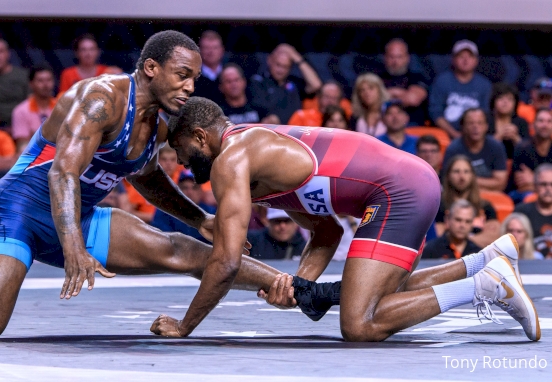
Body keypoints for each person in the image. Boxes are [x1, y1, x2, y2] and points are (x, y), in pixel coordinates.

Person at [0, 31, 289, 340]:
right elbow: (62, 172)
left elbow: (147, 177)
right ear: (151, 68)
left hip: (80, 215)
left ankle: (288, 286)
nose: (190, 87)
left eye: (194, 79)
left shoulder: (158, 124)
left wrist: (199, 218)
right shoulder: (101, 99)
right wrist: (72, 246)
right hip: (18, 210)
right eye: (182, 76)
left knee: (179, 250)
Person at [166, 96, 539, 342]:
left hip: (397, 191)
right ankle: (484, 262)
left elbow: (226, 260)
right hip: (407, 182)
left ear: (200, 136)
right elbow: (326, 230)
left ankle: (485, 286)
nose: (181, 164)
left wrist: (185, 327)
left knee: (360, 322)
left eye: (180, 151)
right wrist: (298, 284)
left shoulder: (231, 159)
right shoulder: (257, 155)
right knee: (381, 293)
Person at [429, 40, 492, 138]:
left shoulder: (484, 84)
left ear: (476, 60)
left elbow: (486, 114)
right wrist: (453, 133)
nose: (465, 60)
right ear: (453, 59)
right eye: (461, 56)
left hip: (475, 135)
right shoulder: (442, 81)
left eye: (470, 56)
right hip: (445, 134)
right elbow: (435, 112)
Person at [435, 155, 500, 248]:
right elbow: (438, 239)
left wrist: (461, 241)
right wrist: (474, 239)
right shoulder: (439, 206)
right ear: (448, 175)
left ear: (473, 176)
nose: (462, 177)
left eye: (466, 172)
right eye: (456, 171)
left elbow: (493, 239)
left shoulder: (486, 207)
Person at [249, 43, 322, 124]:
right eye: (278, 65)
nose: (281, 70)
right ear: (269, 60)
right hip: (269, 130)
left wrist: (296, 57)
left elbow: (316, 85)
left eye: (285, 67)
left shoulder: (294, 82)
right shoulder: (258, 81)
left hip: (294, 130)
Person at [442, 108, 508, 192]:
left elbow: (501, 183)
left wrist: (468, 180)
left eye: (480, 123)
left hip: (490, 196)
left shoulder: (496, 146)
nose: (475, 127)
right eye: (470, 123)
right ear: (463, 127)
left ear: (486, 126)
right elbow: (449, 182)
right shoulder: (453, 149)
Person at [151, 170, 216, 243]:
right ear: (177, 190)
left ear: (201, 191)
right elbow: (161, 238)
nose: (189, 192)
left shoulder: (212, 212)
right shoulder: (165, 211)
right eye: (185, 188)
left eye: (194, 188)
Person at [379, 38, 430, 126]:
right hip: (382, 127)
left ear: (407, 58)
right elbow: (371, 101)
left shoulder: (417, 78)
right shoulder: (377, 79)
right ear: (385, 58)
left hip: (413, 127)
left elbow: (413, 99)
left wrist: (387, 94)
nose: (395, 61)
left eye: (399, 57)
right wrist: (403, 94)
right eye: (391, 57)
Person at [12, 64, 57, 151]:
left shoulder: (63, 108)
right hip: (33, 158)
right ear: (31, 84)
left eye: (49, 80)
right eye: (40, 81)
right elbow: (22, 145)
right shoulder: (20, 111)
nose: (45, 85)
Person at [511, 109, 552, 200]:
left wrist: (533, 178)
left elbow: (529, 183)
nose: (545, 125)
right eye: (541, 121)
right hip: (521, 194)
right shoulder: (522, 148)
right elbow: (522, 185)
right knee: (529, 197)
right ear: (533, 125)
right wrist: (548, 185)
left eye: (549, 121)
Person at [514, 163, 552, 258]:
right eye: (543, 184)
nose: (548, 189)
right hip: (529, 265)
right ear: (535, 186)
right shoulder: (521, 212)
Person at [487, 82, 529, 159]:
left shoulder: (521, 123)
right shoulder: (485, 120)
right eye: (500, 98)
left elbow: (529, 152)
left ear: (515, 104)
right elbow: (480, 148)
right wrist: (499, 136)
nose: (505, 102)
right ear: (493, 101)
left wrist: (516, 138)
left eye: (510, 99)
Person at [193, 30, 225, 105]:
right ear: (199, 50)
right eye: (206, 48)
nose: (211, 52)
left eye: (215, 48)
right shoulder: (193, 77)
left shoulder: (231, 75)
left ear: (222, 50)